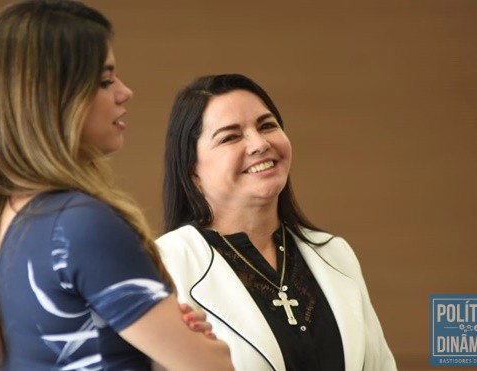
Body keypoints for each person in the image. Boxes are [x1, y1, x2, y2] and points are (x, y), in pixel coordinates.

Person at [0, 1, 233, 370]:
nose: (125, 92)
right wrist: (201, 346)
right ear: (53, 98)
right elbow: (213, 367)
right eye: (105, 80)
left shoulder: (11, 218)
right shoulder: (80, 224)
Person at [156, 73, 397, 370]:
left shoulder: (335, 254)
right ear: (192, 170)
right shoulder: (167, 263)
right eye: (230, 136)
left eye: (267, 125)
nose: (259, 143)